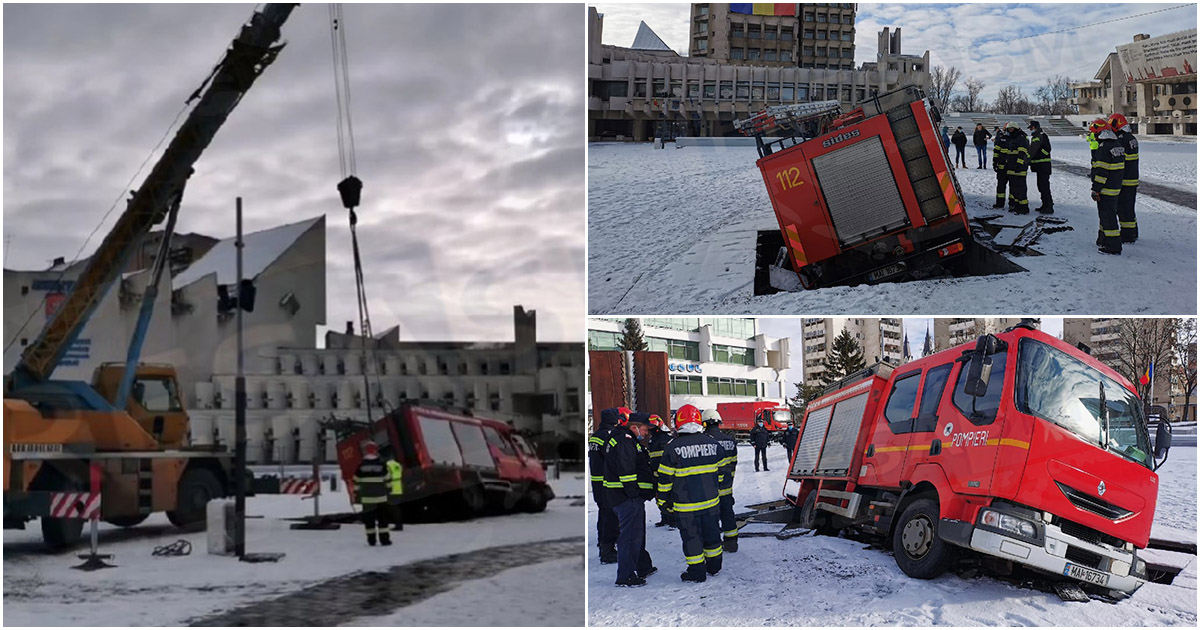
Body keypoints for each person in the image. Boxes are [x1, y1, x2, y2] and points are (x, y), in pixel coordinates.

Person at [657, 404, 723, 583]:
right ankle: (714, 566)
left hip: (686, 507)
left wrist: (663, 503)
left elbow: (664, 481)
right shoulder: (714, 444)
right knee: (712, 535)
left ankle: (697, 573)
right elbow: (723, 474)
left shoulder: (672, 448)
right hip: (711, 503)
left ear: (678, 422)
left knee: (692, 538)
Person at [604, 413, 657, 587]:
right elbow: (627, 473)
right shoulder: (625, 441)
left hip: (625, 496)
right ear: (634, 427)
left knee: (637, 534)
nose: (646, 433)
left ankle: (642, 566)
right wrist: (634, 494)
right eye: (644, 429)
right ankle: (625, 575)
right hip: (627, 498)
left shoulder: (623, 439)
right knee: (630, 536)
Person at [589, 407, 627, 564]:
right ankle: (607, 551)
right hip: (606, 482)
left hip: (596, 482)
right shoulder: (609, 436)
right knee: (610, 516)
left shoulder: (595, 436)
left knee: (603, 514)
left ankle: (602, 542)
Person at [702, 409, 739, 553]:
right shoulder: (730, 441)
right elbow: (733, 464)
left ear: (704, 423)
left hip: (709, 489)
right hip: (727, 486)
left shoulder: (705, 441)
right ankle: (731, 543)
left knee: (711, 518)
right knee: (728, 513)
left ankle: (714, 545)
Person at [1089, 118, 1125, 255]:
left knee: (1108, 217)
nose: (1094, 137)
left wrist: (1096, 189)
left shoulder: (1103, 149)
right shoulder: (1117, 145)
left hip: (1106, 189)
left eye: (1094, 134)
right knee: (1106, 216)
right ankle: (1103, 239)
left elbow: (1101, 172)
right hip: (1116, 187)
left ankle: (1113, 246)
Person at [352, 440, 392, 547]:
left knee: (369, 521)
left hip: (367, 499)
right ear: (375, 451)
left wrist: (357, 492)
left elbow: (355, 480)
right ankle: (385, 540)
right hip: (381, 498)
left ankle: (371, 540)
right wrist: (389, 490)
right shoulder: (382, 465)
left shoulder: (361, 466)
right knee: (383, 520)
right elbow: (388, 479)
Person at [1109, 113, 1139, 242]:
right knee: (1129, 207)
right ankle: (1133, 231)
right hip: (1132, 178)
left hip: (1125, 180)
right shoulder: (1130, 138)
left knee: (1123, 208)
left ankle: (1127, 235)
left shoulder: (1121, 139)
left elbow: (1119, 161)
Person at [647, 414, 677, 528]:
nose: (651, 430)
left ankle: (673, 519)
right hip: (655, 473)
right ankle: (664, 517)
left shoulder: (667, 438)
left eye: (652, 427)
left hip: (666, 474)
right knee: (658, 497)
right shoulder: (652, 439)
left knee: (669, 497)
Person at [1027, 120, 1053, 214]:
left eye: (1031, 127)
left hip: (1044, 166)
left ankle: (1049, 206)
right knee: (1041, 186)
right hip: (1039, 166)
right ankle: (1045, 204)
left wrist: (1037, 154)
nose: (1030, 129)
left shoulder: (1042, 135)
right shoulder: (1035, 136)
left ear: (1035, 127)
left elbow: (1047, 149)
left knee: (1044, 186)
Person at [1004, 122, 1030, 214]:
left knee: (1020, 188)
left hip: (1019, 168)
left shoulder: (1021, 137)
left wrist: (1019, 164)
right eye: (1009, 130)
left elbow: (1022, 152)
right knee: (1013, 188)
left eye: (1011, 129)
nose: (1010, 131)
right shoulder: (1012, 138)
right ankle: (1015, 205)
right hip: (1012, 168)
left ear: (1015, 129)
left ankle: (1023, 207)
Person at [386, 450, 405, 531]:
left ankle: (397, 525)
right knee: (397, 508)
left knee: (392, 508)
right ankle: (399, 524)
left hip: (391, 488)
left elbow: (387, 477)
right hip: (399, 487)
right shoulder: (398, 465)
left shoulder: (387, 465)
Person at [992, 126, 1009, 208]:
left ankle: (1012, 204)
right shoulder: (1001, 139)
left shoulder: (1016, 139)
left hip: (1011, 167)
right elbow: (996, 150)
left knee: (1013, 188)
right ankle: (999, 203)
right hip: (1002, 167)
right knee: (1000, 187)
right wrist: (995, 162)